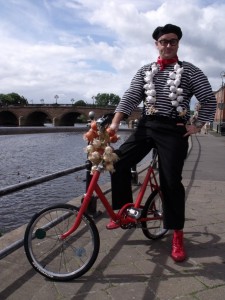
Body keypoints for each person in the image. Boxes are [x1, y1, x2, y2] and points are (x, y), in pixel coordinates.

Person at [106, 24, 216, 262]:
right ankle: (126, 212)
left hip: (173, 130)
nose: (168, 45)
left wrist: (196, 125)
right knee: (116, 162)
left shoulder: (191, 71)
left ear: (178, 44)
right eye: (163, 41)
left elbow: (208, 100)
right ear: (156, 44)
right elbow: (131, 96)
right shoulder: (145, 70)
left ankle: (177, 233)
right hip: (147, 126)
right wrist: (115, 123)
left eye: (173, 41)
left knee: (171, 182)